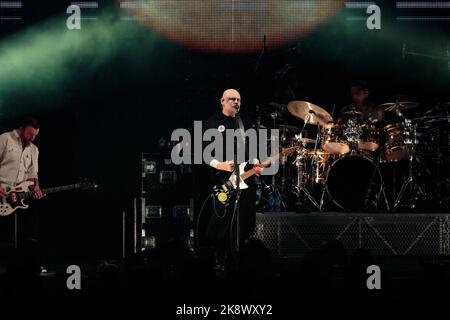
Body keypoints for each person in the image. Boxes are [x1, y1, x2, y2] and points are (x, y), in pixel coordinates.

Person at [202, 89, 261, 258]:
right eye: (232, 99)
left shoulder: (244, 121)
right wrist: (220, 165)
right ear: (222, 101)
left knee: (246, 221)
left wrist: (256, 162)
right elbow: (205, 154)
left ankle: (242, 257)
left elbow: (252, 147)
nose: (236, 102)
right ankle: (218, 258)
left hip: (245, 179)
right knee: (220, 220)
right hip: (222, 181)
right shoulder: (212, 122)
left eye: (238, 99)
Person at [0, 116, 44, 246]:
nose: (32, 138)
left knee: (32, 221)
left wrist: (36, 189)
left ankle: (28, 255)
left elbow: (32, 175)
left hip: (19, 194)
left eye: (35, 135)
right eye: (30, 134)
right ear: (21, 129)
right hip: (2, 190)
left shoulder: (34, 150)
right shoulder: (5, 139)